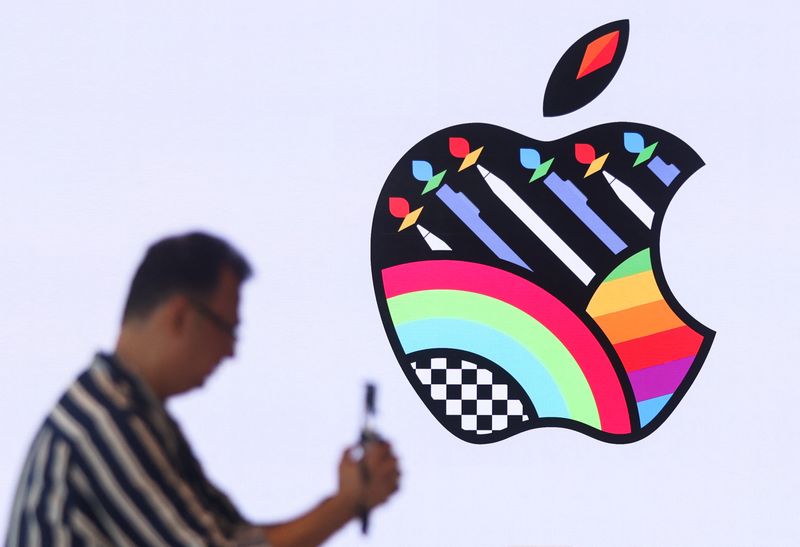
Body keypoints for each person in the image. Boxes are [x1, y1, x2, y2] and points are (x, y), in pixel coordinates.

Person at [5, 232, 400, 546]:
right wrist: (347, 503)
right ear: (180, 315)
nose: (230, 352)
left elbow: (235, 536)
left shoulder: (131, 412)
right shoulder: (104, 422)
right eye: (228, 329)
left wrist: (347, 503)